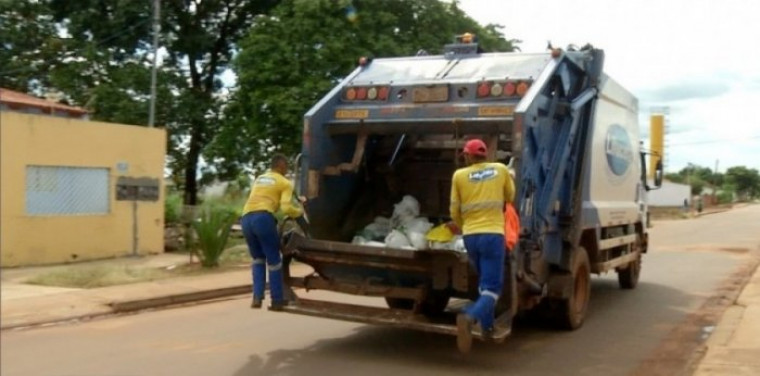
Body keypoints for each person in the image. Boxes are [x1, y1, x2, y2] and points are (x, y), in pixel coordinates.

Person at [449, 139, 515, 351]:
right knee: (493, 288)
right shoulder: (500, 169)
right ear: (486, 154)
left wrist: (464, 225)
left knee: (483, 285)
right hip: (493, 235)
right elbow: (510, 196)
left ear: (468, 156)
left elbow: (453, 210)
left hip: (471, 237)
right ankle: (471, 317)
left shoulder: (459, 176)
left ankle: (488, 327)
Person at [241, 154, 304, 311]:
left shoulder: (260, 178)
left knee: (257, 259)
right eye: (286, 166)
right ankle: (277, 299)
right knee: (274, 261)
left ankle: (257, 297)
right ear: (282, 166)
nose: (287, 169)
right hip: (263, 218)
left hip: (246, 218)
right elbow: (286, 208)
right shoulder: (284, 183)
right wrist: (300, 211)